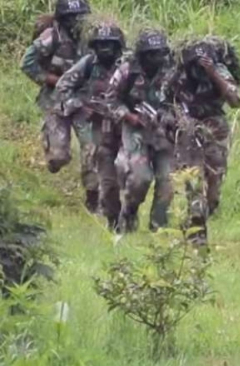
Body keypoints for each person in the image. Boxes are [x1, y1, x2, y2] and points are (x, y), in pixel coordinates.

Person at [162, 39, 240, 245]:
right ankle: (197, 234)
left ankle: (197, 220)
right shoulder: (178, 74)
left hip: (215, 127)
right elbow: (164, 100)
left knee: (214, 190)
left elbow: (235, 101)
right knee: (193, 181)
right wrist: (174, 120)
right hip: (188, 126)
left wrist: (214, 73)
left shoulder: (219, 70)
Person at [21, 0, 95, 209]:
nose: (77, 22)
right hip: (56, 99)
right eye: (72, 18)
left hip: (83, 99)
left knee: (92, 148)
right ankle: (51, 146)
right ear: (62, 20)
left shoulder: (92, 38)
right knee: (58, 157)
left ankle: (93, 195)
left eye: (81, 17)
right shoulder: (50, 37)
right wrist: (54, 80)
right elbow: (27, 64)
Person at [55, 21, 126, 230]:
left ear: (118, 46)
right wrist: (77, 103)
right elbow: (63, 86)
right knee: (91, 158)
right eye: (101, 44)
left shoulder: (126, 65)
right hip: (93, 119)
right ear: (94, 46)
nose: (105, 49)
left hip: (121, 120)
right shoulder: (87, 64)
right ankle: (93, 198)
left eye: (110, 44)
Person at [107, 29, 174, 233]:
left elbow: (181, 100)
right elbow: (110, 100)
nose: (159, 58)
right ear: (143, 55)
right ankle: (129, 212)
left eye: (162, 53)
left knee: (167, 182)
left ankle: (158, 229)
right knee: (139, 179)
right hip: (135, 130)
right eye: (154, 54)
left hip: (163, 133)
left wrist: (170, 116)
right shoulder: (127, 71)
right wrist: (129, 116)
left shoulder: (172, 72)